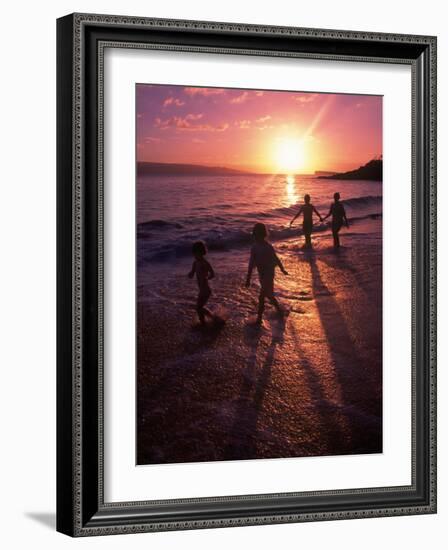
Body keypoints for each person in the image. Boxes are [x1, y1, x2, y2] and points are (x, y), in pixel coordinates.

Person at [245, 223, 288, 325]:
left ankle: (259, 318)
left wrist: (282, 269)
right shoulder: (254, 247)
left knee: (262, 296)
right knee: (269, 295)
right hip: (262, 274)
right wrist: (248, 279)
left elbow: (276, 258)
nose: (255, 236)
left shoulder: (268, 247)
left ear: (262, 234)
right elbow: (251, 264)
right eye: (254, 234)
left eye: (257, 234)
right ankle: (279, 310)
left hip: (269, 273)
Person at [188, 241, 215, 325]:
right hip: (202, 290)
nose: (194, 256)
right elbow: (192, 273)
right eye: (194, 254)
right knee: (199, 307)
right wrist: (190, 274)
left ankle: (209, 319)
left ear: (201, 252)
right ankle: (208, 319)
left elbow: (212, 274)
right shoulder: (195, 263)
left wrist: (207, 277)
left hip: (206, 290)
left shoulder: (205, 263)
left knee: (198, 307)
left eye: (196, 253)